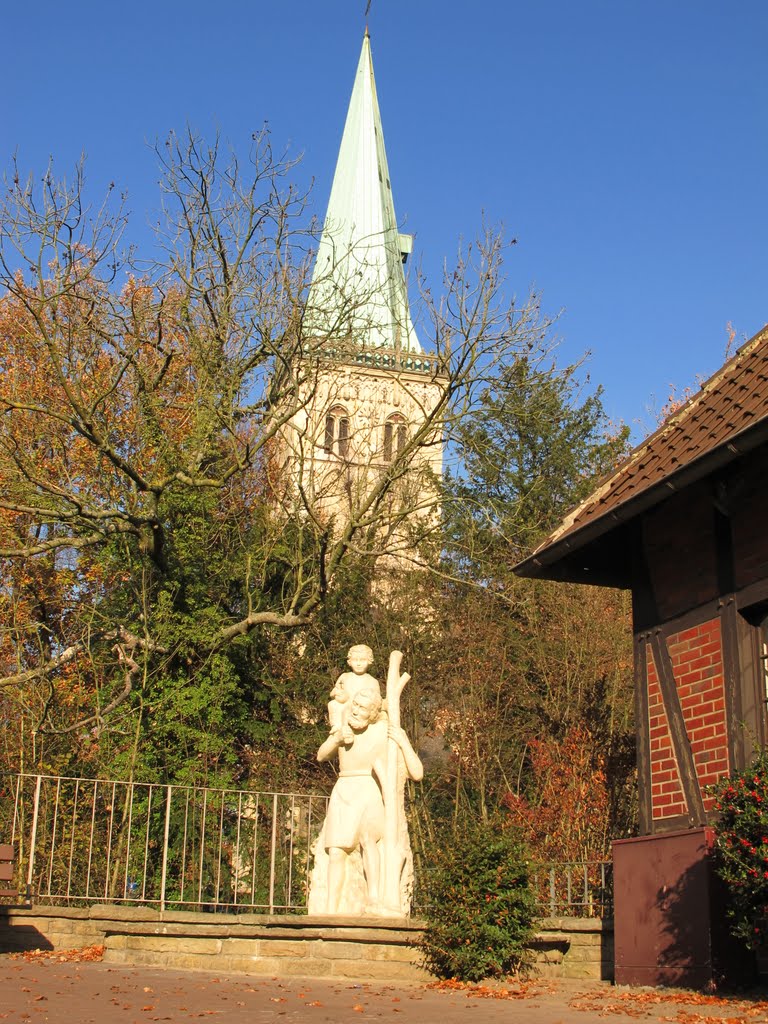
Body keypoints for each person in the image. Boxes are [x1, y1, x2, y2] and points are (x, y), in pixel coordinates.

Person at [317, 688, 422, 914]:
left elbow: (417, 773)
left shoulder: (383, 731)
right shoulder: (343, 727)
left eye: (361, 708)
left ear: (373, 713)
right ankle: (330, 909)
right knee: (336, 851)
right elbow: (321, 755)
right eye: (354, 705)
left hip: (369, 790)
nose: (354, 711)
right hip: (344, 789)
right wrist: (336, 739)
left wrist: (403, 740)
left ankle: (374, 898)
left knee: (369, 840)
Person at [327, 644, 381, 738]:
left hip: (361, 712)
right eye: (355, 660)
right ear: (350, 662)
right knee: (332, 704)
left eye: (363, 660)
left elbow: (377, 703)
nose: (358, 664)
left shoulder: (372, 681)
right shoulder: (345, 676)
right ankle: (336, 727)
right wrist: (337, 694)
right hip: (345, 706)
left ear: (369, 661)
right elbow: (334, 691)